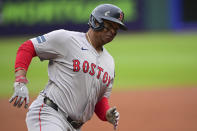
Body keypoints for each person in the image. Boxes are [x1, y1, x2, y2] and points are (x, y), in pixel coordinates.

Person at [9, 3, 127, 131]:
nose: (113, 32)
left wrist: (106, 113)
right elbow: (28, 47)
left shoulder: (109, 62)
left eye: (116, 29)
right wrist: (20, 80)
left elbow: (98, 98)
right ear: (95, 22)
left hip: (75, 127)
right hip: (50, 115)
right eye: (109, 26)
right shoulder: (66, 39)